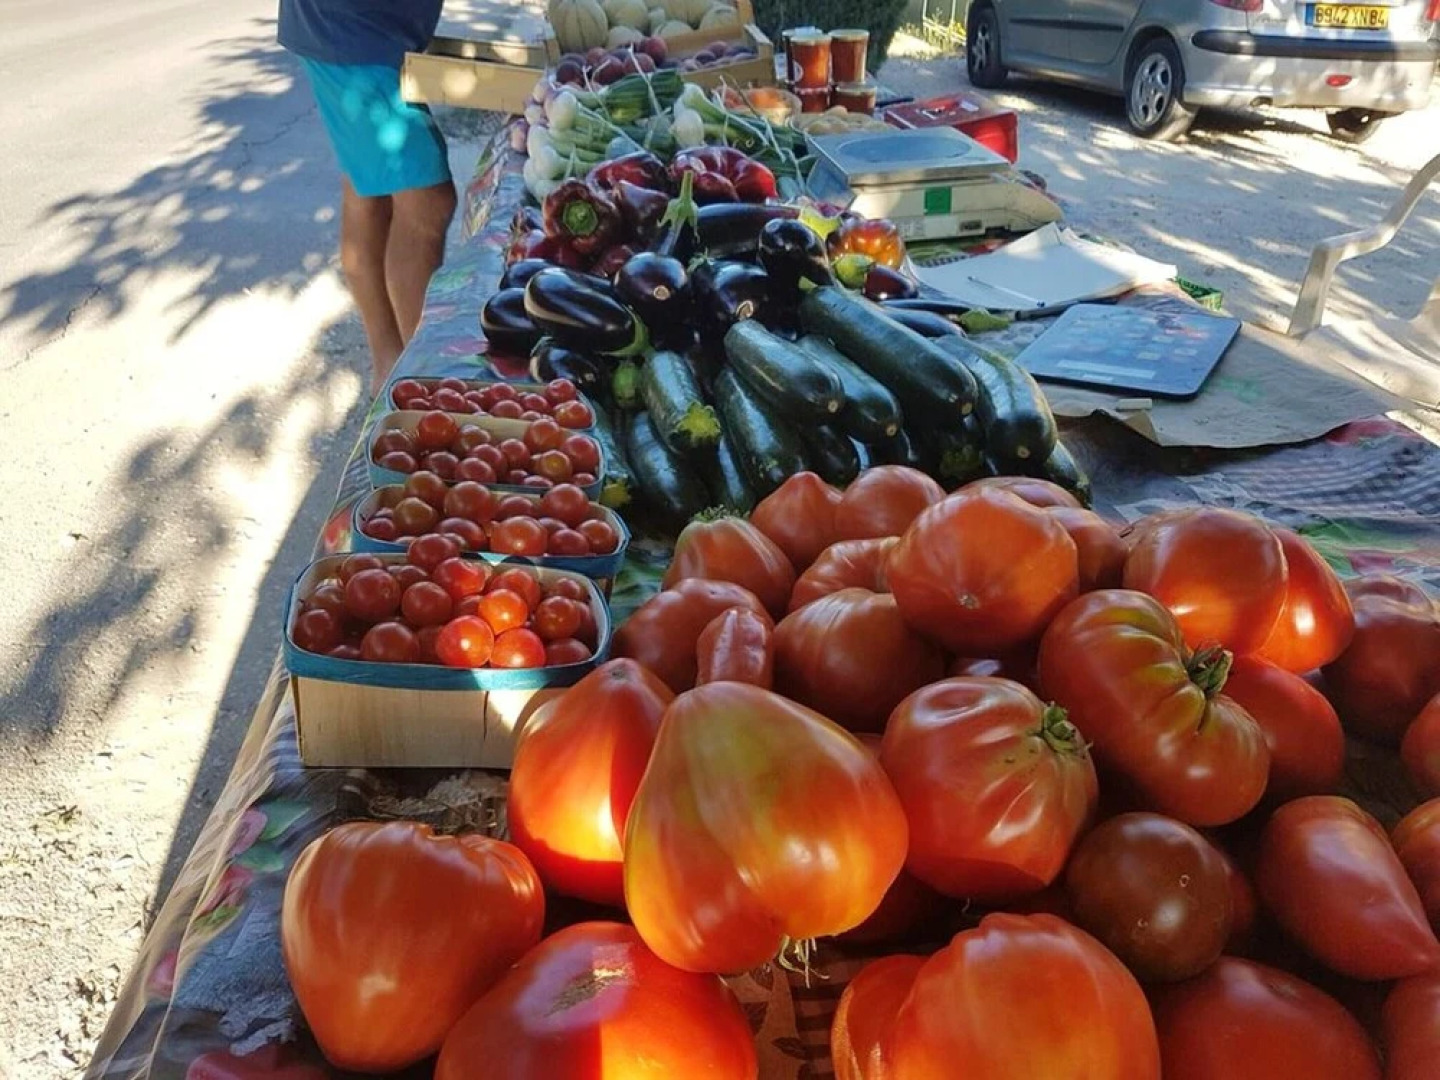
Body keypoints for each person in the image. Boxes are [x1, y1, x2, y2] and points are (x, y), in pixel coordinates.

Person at [278, 0, 457, 394]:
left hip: (358, 30)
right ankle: (418, 379)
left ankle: (393, 365)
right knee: (427, 200)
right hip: (352, 30)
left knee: (369, 193)